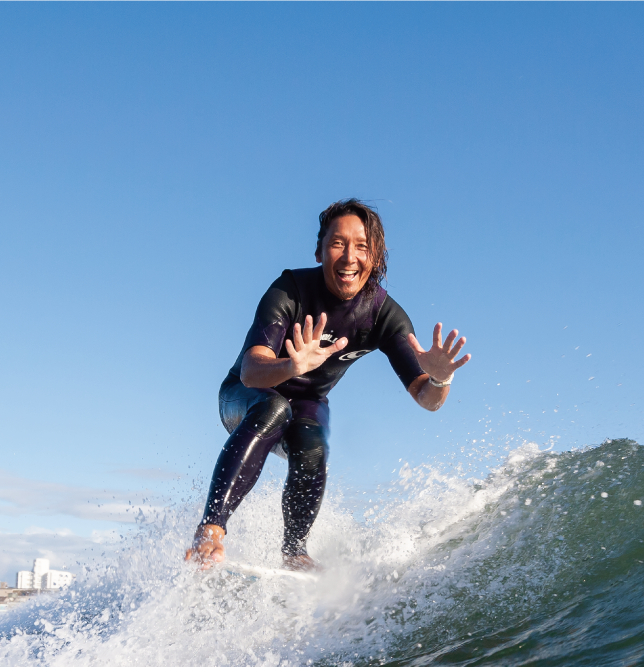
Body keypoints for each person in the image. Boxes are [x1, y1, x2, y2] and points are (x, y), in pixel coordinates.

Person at [185, 199, 471, 570]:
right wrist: (291, 364)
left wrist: (439, 376)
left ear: (376, 256)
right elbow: (251, 372)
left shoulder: (383, 314)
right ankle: (210, 530)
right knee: (275, 408)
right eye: (338, 243)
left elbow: (427, 399)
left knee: (313, 440)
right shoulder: (290, 289)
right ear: (319, 250)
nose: (349, 257)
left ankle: (295, 553)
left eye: (362, 246)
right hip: (244, 398)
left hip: (307, 402)